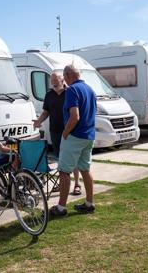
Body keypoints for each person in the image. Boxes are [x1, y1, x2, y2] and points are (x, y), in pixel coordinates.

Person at [50, 65, 97, 216]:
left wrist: (65, 133)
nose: (64, 82)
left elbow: (75, 116)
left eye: (64, 78)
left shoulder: (71, 90)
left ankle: (61, 208)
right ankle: (89, 203)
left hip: (74, 136)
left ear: (68, 76)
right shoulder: (90, 89)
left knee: (64, 171)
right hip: (89, 136)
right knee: (85, 169)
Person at [33, 71, 82, 195]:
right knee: (61, 159)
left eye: (56, 79)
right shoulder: (49, 95)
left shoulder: (70, 92)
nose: (54, 82)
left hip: (70, 131)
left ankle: (77, 184)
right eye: (52, 80)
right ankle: (62, 184)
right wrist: (39, 121)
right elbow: (46, 112)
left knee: (73, 158)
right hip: (55, 131)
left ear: (63, 80)